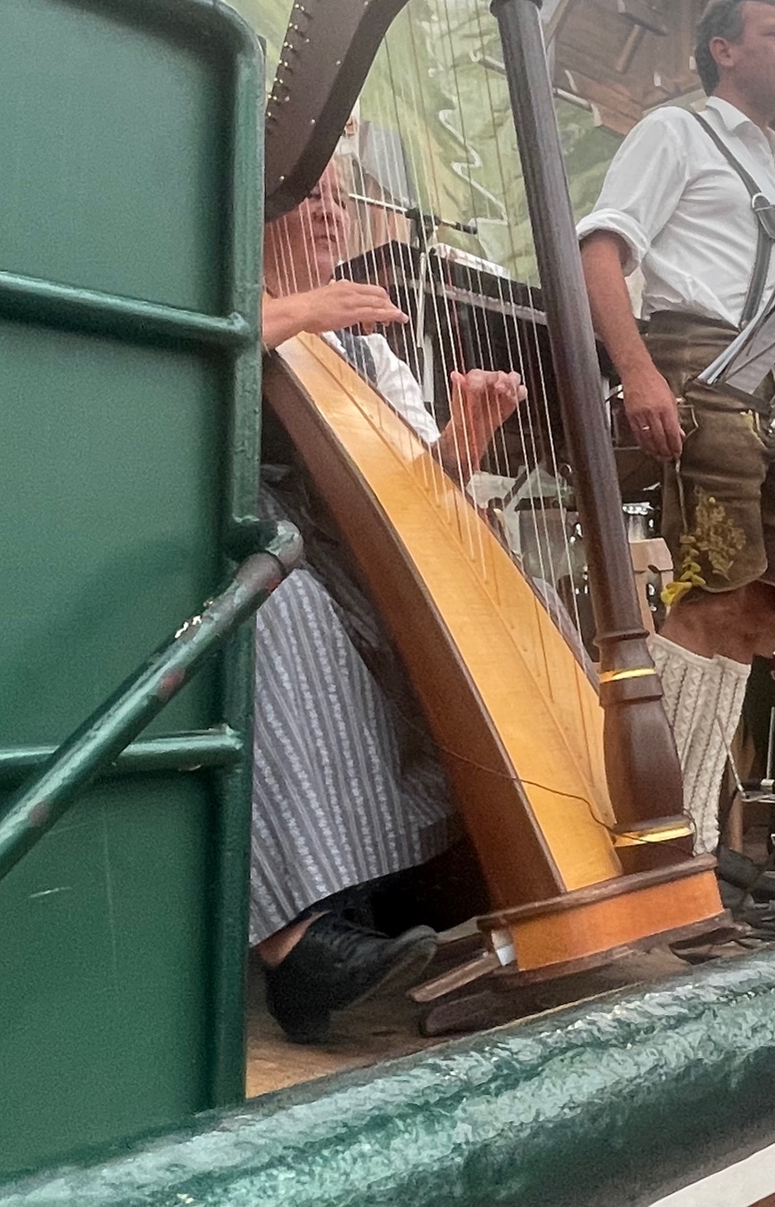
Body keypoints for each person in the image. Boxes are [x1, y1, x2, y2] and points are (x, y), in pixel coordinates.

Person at [252, 165, 527, 1041]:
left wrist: (463, 442)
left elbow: (411, 490)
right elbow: (177, 362)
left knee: (479, 617)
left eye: (341, 198)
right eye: (311, 194)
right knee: (291, 614)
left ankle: (422, 884)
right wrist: (295, 313)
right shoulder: (220, 299)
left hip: (341, 555)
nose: (332, 214)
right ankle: (299, 947)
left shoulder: (363, 345)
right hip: (243, 541)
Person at [578, 0, 775, 851]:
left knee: (758, 615)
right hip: (705, 365)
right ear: (724, 49)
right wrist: (639, 371)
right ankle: (667, 842)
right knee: (712, 598)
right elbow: (600, 251)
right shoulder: (676, 131)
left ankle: (703, 837)